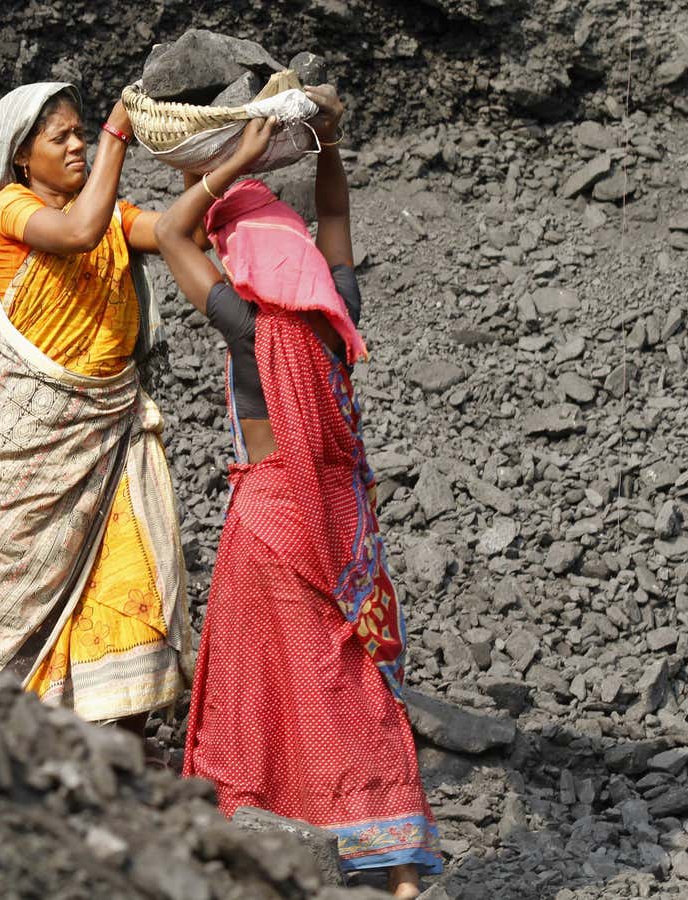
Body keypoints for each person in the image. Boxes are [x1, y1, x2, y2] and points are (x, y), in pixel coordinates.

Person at [154, 88, 442, 896]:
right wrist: (325, 150)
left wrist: (235, 161)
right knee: (347, 678)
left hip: (272, 525)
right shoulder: (336, 308)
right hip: (341, 520)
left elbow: (174, 229)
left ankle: (256, 847)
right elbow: (337, 221)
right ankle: (395, 872)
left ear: (240, 260)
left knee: (257, 692)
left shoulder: (247, 324)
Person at [0, 83, 189, 737]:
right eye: (63, 137)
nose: (78, 145)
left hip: (112, 434)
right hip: (42, 434)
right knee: (6, 594)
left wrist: (219, 167)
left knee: (129, 583)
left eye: (83, 133)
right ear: (23, 156)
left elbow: (168, 232)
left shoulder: (109, 212)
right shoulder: (10, 209)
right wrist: (117, 134)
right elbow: (79, 234)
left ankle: (122, 772)